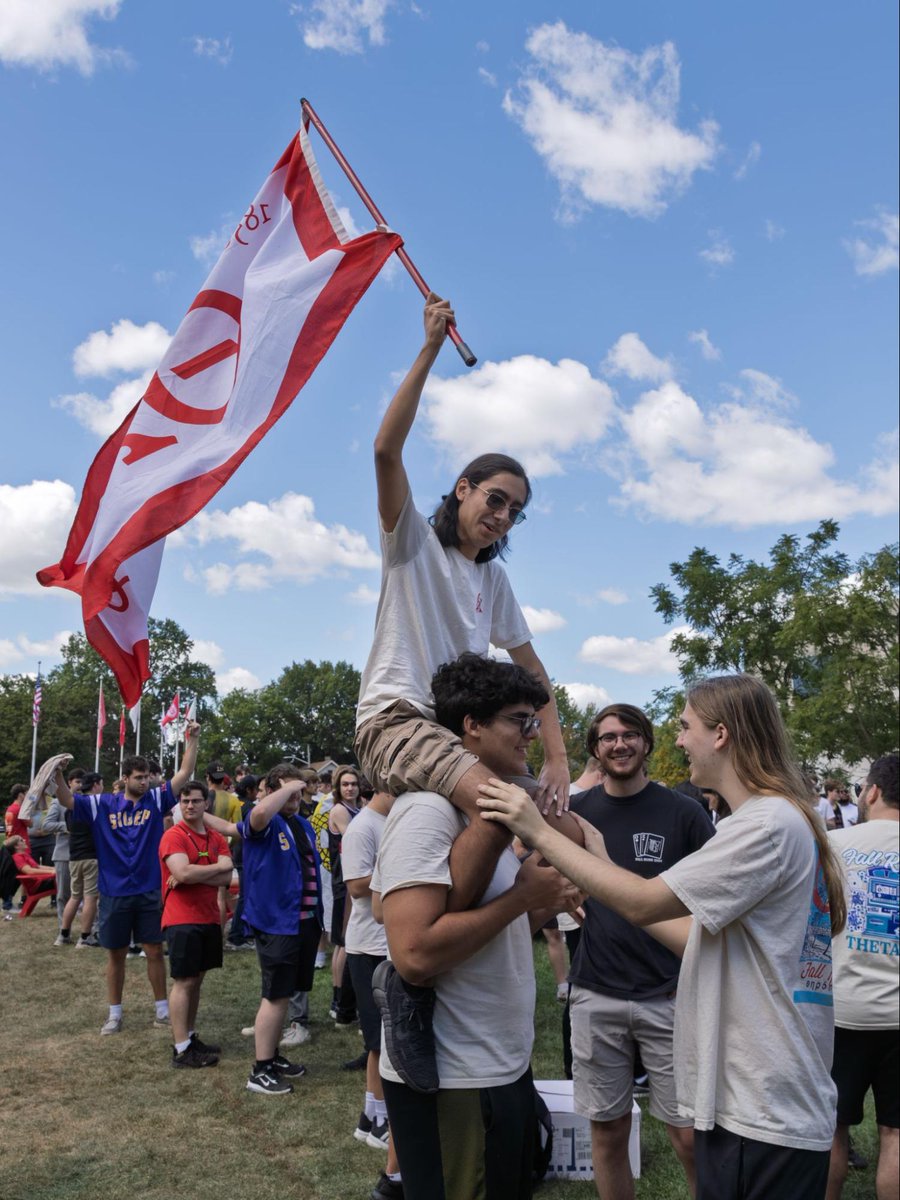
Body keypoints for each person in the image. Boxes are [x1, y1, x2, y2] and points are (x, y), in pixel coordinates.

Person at [477, 673, 848, 1200]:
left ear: (720, 734)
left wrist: (535, 830)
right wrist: (603, 862)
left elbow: (644, 900)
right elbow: (696, 935)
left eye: (685, 725)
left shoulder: (762, 826)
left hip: (762, 1102)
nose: (678, 739)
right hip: (768, 1096)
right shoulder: (779, 818)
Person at [373, 653, 584, 1200]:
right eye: (519, 720)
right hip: (455, 1080)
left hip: (500, 1067)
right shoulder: (426, 811)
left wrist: (541, 903)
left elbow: (484, 935)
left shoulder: (476, 815)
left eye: (534, 722)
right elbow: (414, 952)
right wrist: (521, 900)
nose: (532, 736)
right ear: (471, 726)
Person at [565, 704, 714, 1199]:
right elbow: (547, 871)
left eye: (630, 735)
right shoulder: (579, 813)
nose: (619, 744)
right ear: (595, 749)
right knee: (607, 1135)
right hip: (596, 992)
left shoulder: (683, 812)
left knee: (690, 1136)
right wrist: (562, 891)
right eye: (608, 738)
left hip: (671, 992)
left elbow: (712, 895)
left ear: (647, 743)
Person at [55, 725, 202, 1035]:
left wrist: (193, 739)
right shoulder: (102, 804)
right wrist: (56, 774)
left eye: (147, 776)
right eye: (139, 777)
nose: (145, 781)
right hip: (114, 891)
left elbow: (186, 771)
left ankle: (162, 1009)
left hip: (149, 888)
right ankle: (114, 1013)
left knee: (153, 950)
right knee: (116, 954)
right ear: (125, 779)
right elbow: (68, 800)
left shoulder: (155, 799)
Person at [826, 753, 899, 1200]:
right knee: (896, 1133)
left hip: (840, 1009)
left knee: (830, 1128)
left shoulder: (833, 845)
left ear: (871, 791)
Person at [230, 764, 323, 1096]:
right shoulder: (264, 822)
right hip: (277, 922)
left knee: (285, 993)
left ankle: (273, 1055)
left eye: (299, 791)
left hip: (304, 921)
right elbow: (256, 817)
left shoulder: (300, 824)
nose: (296, 796)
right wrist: (283, 789)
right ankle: (261, 1069)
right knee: (275, 995)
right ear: (270, 792)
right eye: (288, 790)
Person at [159, 780, 233, 1068]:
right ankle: (181, 1049)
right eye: (185, 801)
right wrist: (209, 870)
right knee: (184, 980)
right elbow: (182, 873)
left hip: (208, 917)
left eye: (196, 801)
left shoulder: (216, 838)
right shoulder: (173, 836)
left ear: (206, 804)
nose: (190, 806)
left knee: (198, 979)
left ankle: (189, 1036)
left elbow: (228, 876)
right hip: (181, 919)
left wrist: (194, 873)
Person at [328, 764, 362, 1022]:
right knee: (342, 942)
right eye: (345, 784)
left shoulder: (356, 808)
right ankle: (338, 999)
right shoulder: (340, 810)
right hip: (343, 882)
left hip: (350, 879)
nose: (350, 788)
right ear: (338, 788)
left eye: (353, 784)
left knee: (347, 940)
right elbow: (357, 841)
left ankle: (343, 998)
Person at [61, 770, 102, 949]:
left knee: (75, 896)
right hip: (91, 856)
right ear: (95, 785)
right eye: (101, 783)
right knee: (90, 897)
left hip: (74, 856)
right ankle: (85, 937)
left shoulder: (71, 807)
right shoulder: (95, 804)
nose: (103, 787)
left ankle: (63, 935)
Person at [7, 835, 56, 899]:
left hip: (39, 882)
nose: (24, 840)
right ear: (16, 846)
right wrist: (52, 872)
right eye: (21, 840)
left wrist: (55, 869)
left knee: (64, 878)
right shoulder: (17, 857)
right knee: (64, 881)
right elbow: (30, 871)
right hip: (36, 886)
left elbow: (38, 867)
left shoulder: (24, 855)